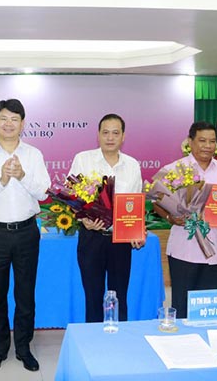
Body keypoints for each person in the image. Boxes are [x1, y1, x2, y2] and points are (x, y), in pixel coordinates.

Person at [0, 99, 50, 372]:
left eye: (14, 119)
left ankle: (24, 348)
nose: (8, 124)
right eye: (4, 118)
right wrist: (1, 180)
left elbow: (44, 193)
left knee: (25, 294)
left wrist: (23, 176)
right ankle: (0, 347)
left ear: (22, 123)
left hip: (26, 232)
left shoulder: (33, 155)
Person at [153, 121, 217, 319]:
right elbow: (156, 201)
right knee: (182, 307)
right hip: (184, 250)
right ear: (190, 142)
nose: (207, 146)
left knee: (210, 310)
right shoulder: (174, 169)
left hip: (216, 251)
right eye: (202, 140)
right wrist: (170, 217)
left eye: (212, 141)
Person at [68, 113, 144, 323]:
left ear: (123, 136)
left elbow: (135, 201)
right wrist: (83, 219)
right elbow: (71, 196)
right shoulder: (83, 160)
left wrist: (137, 231)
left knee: (119, 295)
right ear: (98, 135)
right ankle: (93, 340)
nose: (110, 138)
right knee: (92, 296)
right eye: (105, 132)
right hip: (91, 238)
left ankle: (119, 338)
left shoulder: (132, 165)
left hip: (120, 240)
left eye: (115, 133)